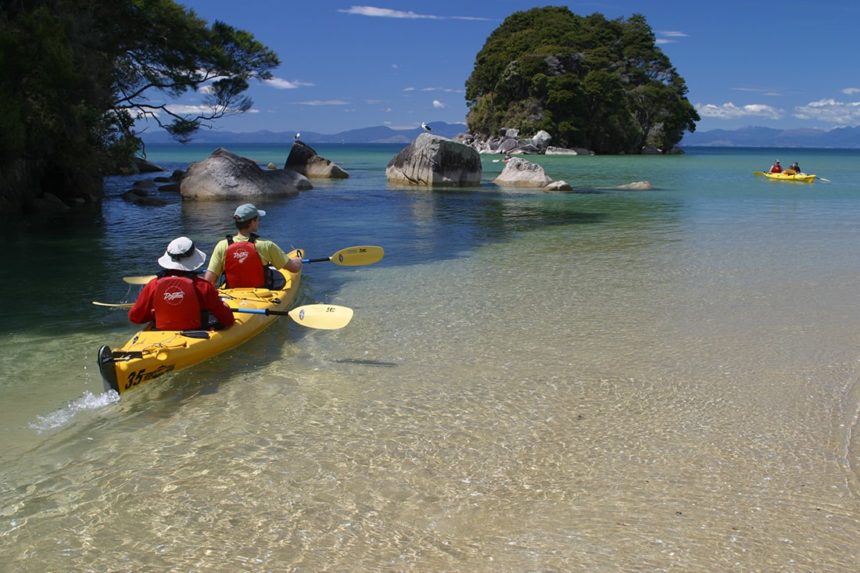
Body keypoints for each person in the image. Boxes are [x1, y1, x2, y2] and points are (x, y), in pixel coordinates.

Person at [128, 237, 235, 331]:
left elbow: (135, 317)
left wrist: (156, 312)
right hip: (197, 332)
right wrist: (225, 307)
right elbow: (228, 320)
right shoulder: (203, 286)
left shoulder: (153, 285)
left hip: (161, 333)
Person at [203, 203, 303, 288]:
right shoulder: (266, 246)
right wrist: (298, 260)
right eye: (257, 219)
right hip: (260, 294)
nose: (259, 221)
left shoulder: (222, 246)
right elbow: (294, 268)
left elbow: (209, 280)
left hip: (231, 296)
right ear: (252, 222)